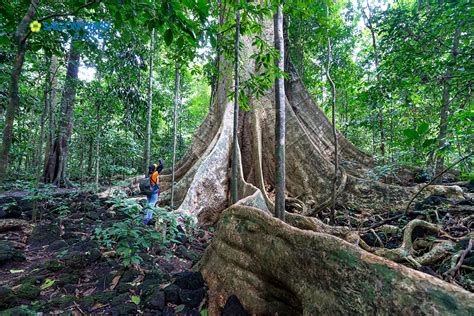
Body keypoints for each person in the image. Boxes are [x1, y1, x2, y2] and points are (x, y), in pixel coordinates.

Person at [144, 159, 164, 224]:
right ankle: (148, 219)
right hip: (154, 192)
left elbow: (158, 167)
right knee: (151, 204)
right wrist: (161, 161)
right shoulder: (154, 174)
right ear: (154, 169)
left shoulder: (149, 174)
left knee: (148, 204)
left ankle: (145, 218)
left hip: (149, 192)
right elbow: (161, 167)